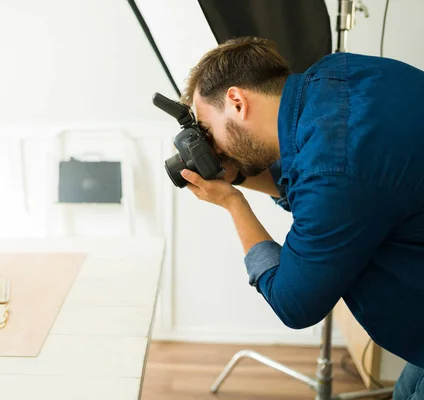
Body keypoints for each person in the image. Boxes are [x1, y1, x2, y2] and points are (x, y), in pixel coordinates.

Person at [178, 36, 424, 399]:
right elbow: (315, 182)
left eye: (209, 132)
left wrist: (234, 203)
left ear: (236, 101)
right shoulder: (335, 74)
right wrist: (239, 173)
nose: (211, 147)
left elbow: (294, 303)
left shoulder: (333, 169)